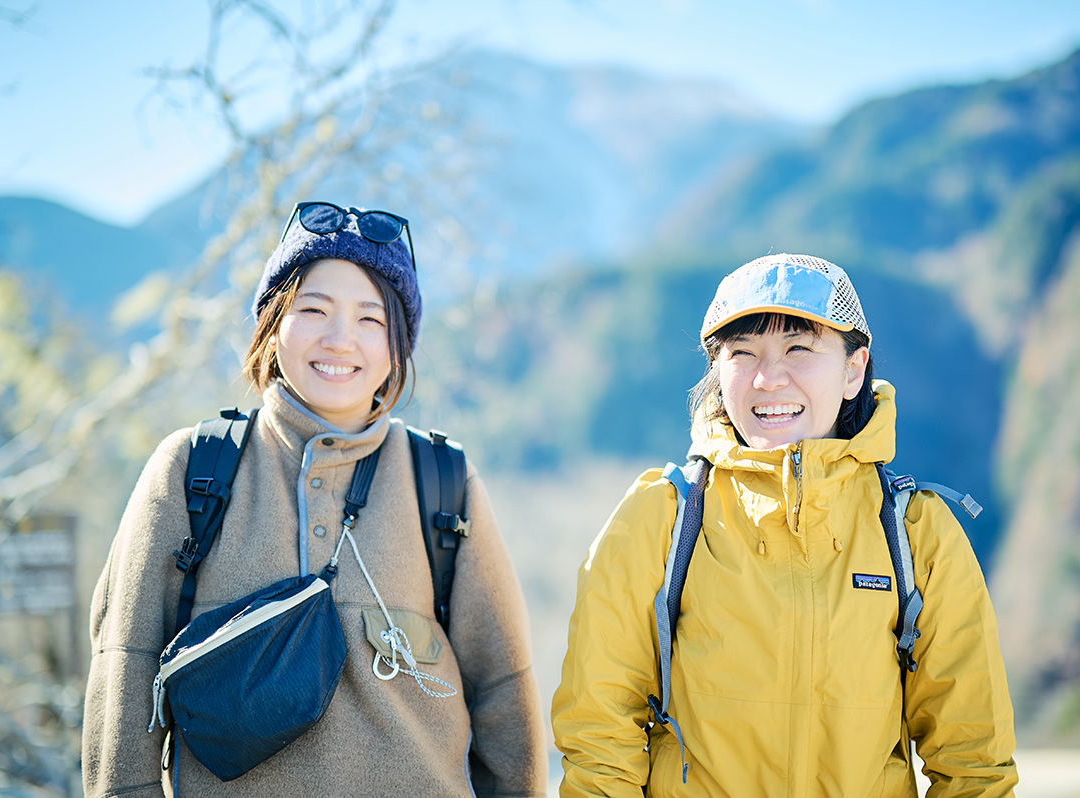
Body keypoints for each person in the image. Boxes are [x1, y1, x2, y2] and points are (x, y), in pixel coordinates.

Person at [83, 202, 548, 797]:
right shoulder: (193, 470)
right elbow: (124, 667)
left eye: (370, 319)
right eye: (313, 310)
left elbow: (503, 689)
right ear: (273, 323)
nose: (339, 339)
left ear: (399, 345)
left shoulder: (442, 481)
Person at [551, 254, 1017, 797]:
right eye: (742, 353)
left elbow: (973, 762)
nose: (767, 378)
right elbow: (599, 741)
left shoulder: (916, 532)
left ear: (853, 370)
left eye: (798, 349)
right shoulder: (661, 519)